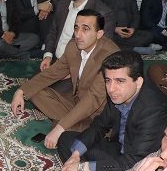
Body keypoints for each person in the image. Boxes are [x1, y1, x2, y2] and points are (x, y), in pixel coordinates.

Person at [58, 51, 167, 171]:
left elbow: (134, 162)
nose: (111, 88)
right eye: (108, 80)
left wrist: (82, 167)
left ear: (138, 82)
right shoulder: (119, 94)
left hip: (140, 166)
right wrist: (76, 155)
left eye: (120, 81)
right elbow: (99, 126)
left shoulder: (154, 110)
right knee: (67, 140)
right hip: (120, 149)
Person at [11, 10, 119, 149]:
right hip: (76, 101)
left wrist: (60, 127)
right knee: (33, 91)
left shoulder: (111, 56)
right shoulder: (73, 46)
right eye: (76, 28)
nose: (78, 35)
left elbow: (93, 99)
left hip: (98, 116)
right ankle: (72, 123)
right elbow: (52, 73)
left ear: (99, 34)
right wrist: (21, 91)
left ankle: (75, 127)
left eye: (85, 29)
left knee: (62, 134)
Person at [41, 0, 115, 73]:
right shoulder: (63, 3)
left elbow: (100, 52)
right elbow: (53, 31)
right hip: (55, 62)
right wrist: (48, 56)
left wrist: (73, 72)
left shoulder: (102, 13)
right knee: (32, 83)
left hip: (78, 69)